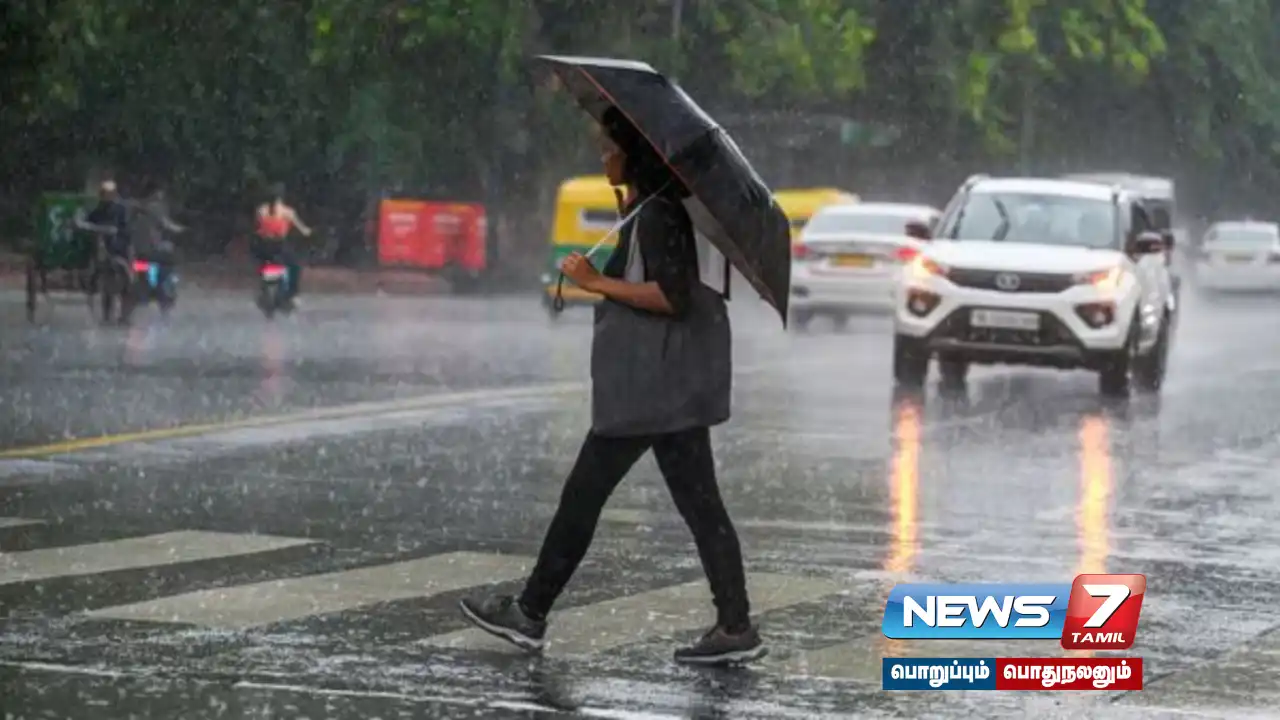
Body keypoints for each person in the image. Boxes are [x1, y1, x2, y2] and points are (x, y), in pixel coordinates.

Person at [458, 110, 765, 666]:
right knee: (699, 507)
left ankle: (530, 613)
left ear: (634, 155)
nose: (603, 160)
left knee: (586, 495)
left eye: (608, 151)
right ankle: (735, 625)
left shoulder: (659, 215)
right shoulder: (650, 210)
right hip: (665, 386)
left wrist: (596, 282)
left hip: (652, 387)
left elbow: (673, 296)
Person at [253, 183, 311, 302]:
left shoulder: (260, 210)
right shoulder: (287, 212)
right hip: (279, 246)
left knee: (263, 263)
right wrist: (308, 232)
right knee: (295, 266)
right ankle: (292, 294)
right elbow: (303, 229)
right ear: (282, 197)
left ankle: (264, 289)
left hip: (263, 246)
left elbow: (258, 227)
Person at [133, 182, 185, 284]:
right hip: (151, 248)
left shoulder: (137, 207)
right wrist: (181, 230)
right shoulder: (155, 207)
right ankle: (167, 281)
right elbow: (167, 224)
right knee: (172, 254)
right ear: (156, 192)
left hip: (136, 249)